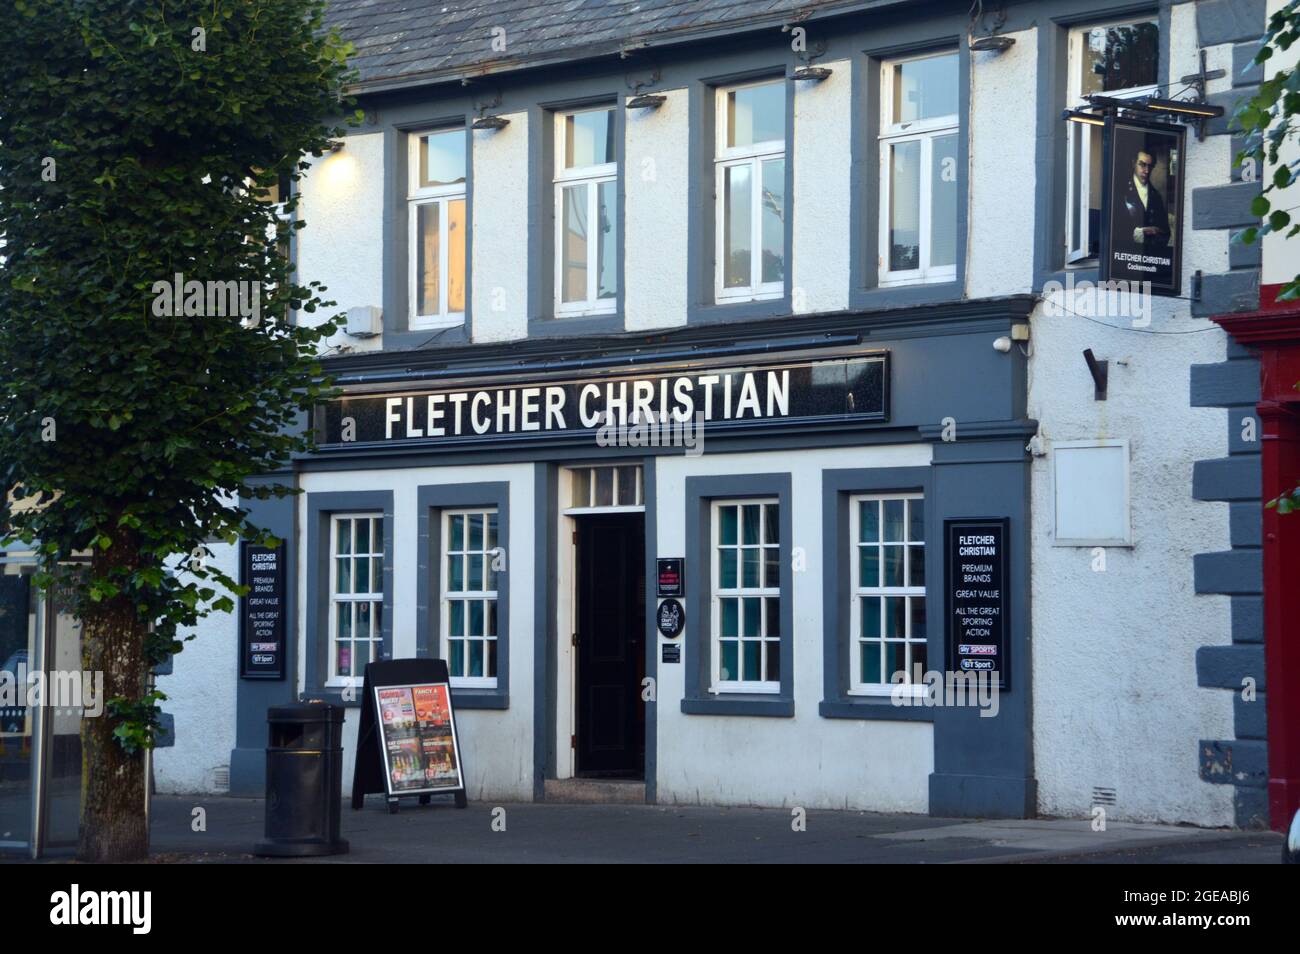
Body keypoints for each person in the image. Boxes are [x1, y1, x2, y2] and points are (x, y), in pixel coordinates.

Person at [1117, 148, 1170, 251]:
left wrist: (1156, 234)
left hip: (1151, 256)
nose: (1146, 171)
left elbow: (1166, 232)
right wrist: (1140, 232)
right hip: (1127, 254)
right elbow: (1115, 229)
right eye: (1142, 164)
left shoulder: (1157, 196)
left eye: (1150, 166)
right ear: (1133, 163)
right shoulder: (1120, 191)